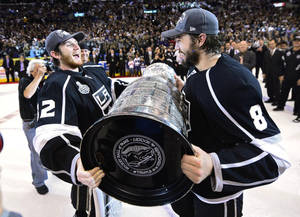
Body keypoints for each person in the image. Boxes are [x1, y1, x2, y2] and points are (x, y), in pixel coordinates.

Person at [162, 8, 290, 217]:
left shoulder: (233, 81)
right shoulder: (196, 68)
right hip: (190, 187)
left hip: (216, 199)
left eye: (179, 39)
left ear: (200, 40)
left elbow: (276, 158)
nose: (175, 46)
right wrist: (184, 89)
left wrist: (214, 163)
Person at [33, 30, 128, 217]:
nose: (77, 46)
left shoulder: (92, 70)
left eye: (76, 42)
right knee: (89, 212)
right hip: (91, 174)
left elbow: (114, 89)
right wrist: (77, 163)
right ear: (55, 54)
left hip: (114, 162)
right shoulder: (56, 84)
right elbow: (48, 135)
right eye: (69, 44)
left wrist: (144, 86)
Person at [18, 59, 49, 195]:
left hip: (45, 121)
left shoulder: (45, 81)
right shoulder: (25, 80)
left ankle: (48, 167)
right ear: (31, 71)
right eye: (38, 68)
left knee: (47, 148)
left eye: (43, 67)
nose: (42, 70)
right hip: (31, 122)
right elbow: (28, 94)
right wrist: (39, 77)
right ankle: (39, 181)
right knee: (36, 152)